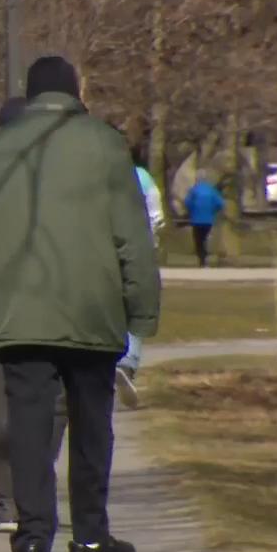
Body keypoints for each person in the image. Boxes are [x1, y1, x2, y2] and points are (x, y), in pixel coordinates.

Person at [0, 55, 161, 552]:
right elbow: (132, 237)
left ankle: (32, 542)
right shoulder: (107, 146)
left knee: (29, 428)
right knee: (92, 426)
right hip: (94, 312)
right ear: (74, 92)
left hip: (21, 312)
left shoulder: (1, 148)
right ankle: (89, 537)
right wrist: (142, 308)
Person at [0, 97, 70, 536]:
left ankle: (33, 486)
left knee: (52, 405)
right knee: (0, 411)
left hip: (48, 305)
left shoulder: (58, 182)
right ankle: (7, 498)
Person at [116, 149, 168, 409]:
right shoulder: (143, 177)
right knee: (139, 303)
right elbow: (157, 217)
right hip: (141, 248)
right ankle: (128, 362)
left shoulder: (99, 176)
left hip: (106, 248)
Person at [184, 171, 225, 268]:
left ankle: (201, 260)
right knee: (204, 238)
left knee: (198, 240)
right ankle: (205, 258)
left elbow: (187, 202)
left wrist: (192, 210)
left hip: (196, 220)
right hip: (208, 220)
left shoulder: (194, 190)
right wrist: (213, 210)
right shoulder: (211, 190)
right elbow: (220, 203)